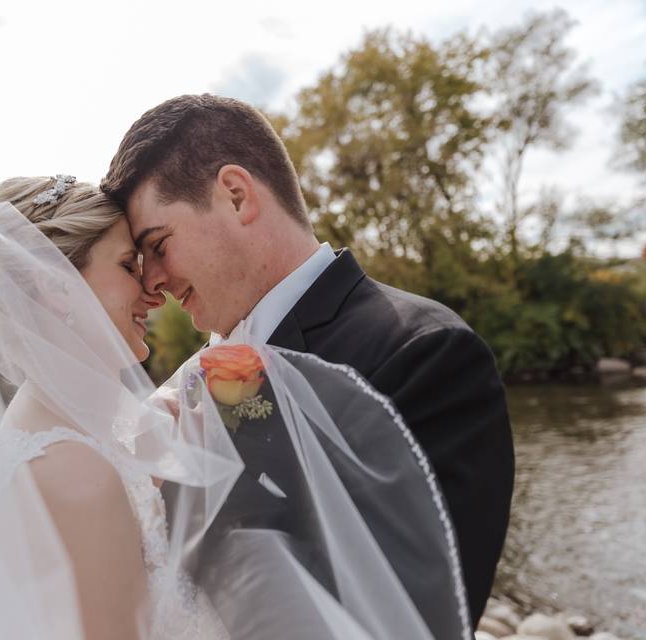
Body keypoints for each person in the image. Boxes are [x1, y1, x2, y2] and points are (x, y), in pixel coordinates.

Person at [0, 175, 470, 640]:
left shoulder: (53, 439)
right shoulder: (75, 473)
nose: (153, 288)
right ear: (46, 291)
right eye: (130, 264)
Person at [101, 93, 515, 627]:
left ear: (235, 195)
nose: (152, 283)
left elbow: (422, 616)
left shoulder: (425, 353)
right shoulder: (192, 381)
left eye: (158, 244)